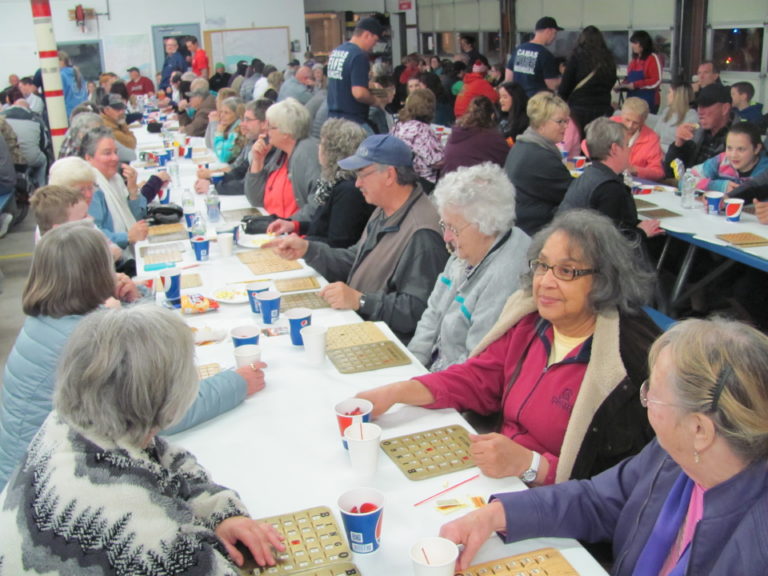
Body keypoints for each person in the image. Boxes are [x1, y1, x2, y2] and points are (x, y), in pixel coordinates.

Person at [440, 317, 768, 574]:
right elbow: (598, 501)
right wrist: (494, 516)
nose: (645, 403)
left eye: (652, 395)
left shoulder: (757, 539)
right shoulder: (673, 457)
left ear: (700, 429)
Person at [358, 209, 658, 483]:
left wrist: (530, 464)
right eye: (542, 266)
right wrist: (396, 392)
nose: (546, 282)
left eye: (566, 271)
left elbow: (615, 486)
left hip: (554, 511)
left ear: (604, 280)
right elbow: (477, 379)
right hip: (497, 476)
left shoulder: (626, 367)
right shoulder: (530, 323)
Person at [0, 304, 285, 572]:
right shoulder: (137, 525)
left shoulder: (68, 422)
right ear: (172, 398)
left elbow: (163, 458)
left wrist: (220, 511)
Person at [266, 134, 447, 341]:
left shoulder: (422, 232)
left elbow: (419, 311)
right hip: (365, 327)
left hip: (388, 343)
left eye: (363, 174)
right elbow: (356, 261)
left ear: (389, 175)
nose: (357, 183)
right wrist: (309, 249)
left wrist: (361, 301)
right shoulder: (385, 208)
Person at [409, 163, 530, 371]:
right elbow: (433, 312)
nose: (446, 237)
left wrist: (424, 385)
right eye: (444, 225)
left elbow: (475, 359)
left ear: (486, 225)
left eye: (453, 228)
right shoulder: (466, 247)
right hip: (432, 370)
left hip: (456, 387)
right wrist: (411, 364)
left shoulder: (506, 276)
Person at [266, 118, 373, 247]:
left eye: (322, 142)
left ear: (333, 151)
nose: (318, 146)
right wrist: (295, 226)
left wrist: (303, 243)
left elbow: (339, 244)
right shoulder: (334, 182)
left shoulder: (348, 190)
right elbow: (324, 227)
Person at [559, 118, 663, 239]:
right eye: (627, 145)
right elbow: (611, 242)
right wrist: (641, 233)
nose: (630, 150)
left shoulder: (589, 174)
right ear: (614, 149)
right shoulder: (609, 188)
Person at [504, 92, 572, 236]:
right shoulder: (540, 157)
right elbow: (573, 194)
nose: (565, 126)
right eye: (560, 122)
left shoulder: (522, 146)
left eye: (567, 121)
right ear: (541, 124)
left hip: (520, 226)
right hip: (534, 232)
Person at [244, 97, 320, 220]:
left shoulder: (307, 154)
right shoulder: (281, 153)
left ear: (286, 132)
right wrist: (257, 161)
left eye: (271, 127)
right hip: (274, 226)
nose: (266, 132)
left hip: (292, 233)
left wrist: (288, 224)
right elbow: (256, 199)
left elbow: (316, 205)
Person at [81, 127, 148, 258]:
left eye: (115, 152)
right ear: (89, 158)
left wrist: (133, 190)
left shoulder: (115, 179)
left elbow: (138, 218)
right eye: (107, 153)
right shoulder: (91, 188)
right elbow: (92, 235)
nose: (115, 158)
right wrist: (127, 236)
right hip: (116, 261)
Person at [196, 98, 272, 196]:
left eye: (248, 120)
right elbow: (239, 171)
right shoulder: (256, 141)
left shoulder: (269, 146)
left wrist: (213, 186)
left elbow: (246, 184)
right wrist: (212, 180)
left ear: (264, 124)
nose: (242, 124)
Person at [664, 83, 735, 177]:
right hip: (691, 187)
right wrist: (678, 145)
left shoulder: (740, 138)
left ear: (725, 108)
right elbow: (671, 173)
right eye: (699, 106)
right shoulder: (696, 134)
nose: (700, 111)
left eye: (706, 106)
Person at [559, 25, 617, 139]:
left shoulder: (576, 57)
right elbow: (611, 81)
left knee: (578, 143)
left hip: (579, 110)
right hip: (603, 108)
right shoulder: (609, 59)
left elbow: (565, 86)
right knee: (599, 143)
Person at [327, 17, 383, 129]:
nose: (374, 45)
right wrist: (376, 101)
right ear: (367, 35)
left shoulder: (337, 51)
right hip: (353, 122)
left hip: (333, 120)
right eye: (375, 40)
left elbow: (345, 81)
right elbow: (359, 93)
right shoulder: (359, 56)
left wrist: (375, 88)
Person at [690, 122, 768, 194]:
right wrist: (718, 186)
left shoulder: (765, 170)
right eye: (729, 148)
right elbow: (687, 179)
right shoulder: (721, 161)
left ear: (757, 149)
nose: (733, 155)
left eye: (741, 149)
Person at [442, 95, 508, 174]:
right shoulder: (492, 138)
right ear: (492, 116)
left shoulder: (457, 132)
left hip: (448, 181)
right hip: (472, 183)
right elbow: (507, 160)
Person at [391, 88, 444, 184]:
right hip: (424, 181)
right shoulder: (421, 129)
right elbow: (437, 162)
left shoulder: (398, 125)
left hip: (401, 177)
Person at [1, 87, 48, 188]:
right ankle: (41, 187)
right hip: (30, 158)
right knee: (43, 160)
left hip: (9, 162)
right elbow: (44, 143)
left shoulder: (2, 118)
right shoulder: (36, 119)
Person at [505, 16, 563, 96]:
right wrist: (564, 78)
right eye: (555, 33)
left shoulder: (519, 49)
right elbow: (552, 85)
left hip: (518, 101)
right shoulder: (545, 54)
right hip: (536, 103)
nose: (554, 37)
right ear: (548, 31)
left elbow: (508, 79)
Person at [613, 97, 665, 181]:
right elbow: (587, 144)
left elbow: (659, 172)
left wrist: (635, 170)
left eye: (635, 123)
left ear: (643, 121)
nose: (630, 125)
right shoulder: (611, 124)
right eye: (627, 120)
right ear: (621, 114)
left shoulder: (652, 138)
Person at [619, 31, 662, 114]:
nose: (632, 46)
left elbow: (656, 80)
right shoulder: (633, 61)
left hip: (648, 100)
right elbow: (629, 79)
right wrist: (622, 85)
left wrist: (636, 85)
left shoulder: (652, 58)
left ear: (643, 44)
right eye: (632, 43)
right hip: (632, 102)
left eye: (635, 43)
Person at [654, 81, 697, 153]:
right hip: (656, 151)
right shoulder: (667, 111)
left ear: (677, 95)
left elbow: (687, 144)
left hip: (674, 154)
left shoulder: (692, 116)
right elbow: (656, 134)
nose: (667, 95)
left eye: (669, 92)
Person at [99, 93, 136, 158]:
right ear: (106, 110)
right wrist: (124, 125)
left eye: (122, 108)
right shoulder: (108, 128)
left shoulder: (114, 122)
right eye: (118, 109)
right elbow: (131, 144)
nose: (122, 112)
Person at [212, 96, 245, 164]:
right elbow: (211, 146)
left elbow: (224, 157)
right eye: (221, 112)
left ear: (237, 115)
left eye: (226, 113)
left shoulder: (238, 131)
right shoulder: (229, 127)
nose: (222, 115)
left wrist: (219, 134)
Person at [497, 81, 529, 146]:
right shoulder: (501, 116)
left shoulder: (524, 122)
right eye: (500, 97)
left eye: (505, 97)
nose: (501, 100)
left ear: (515, 98)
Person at [58, 51, 89, 118]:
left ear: (61, 61)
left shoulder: (61, 75)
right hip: (83, 110)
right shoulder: (77, 73)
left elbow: (60, 97)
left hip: (70, 113)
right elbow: (84, 92)